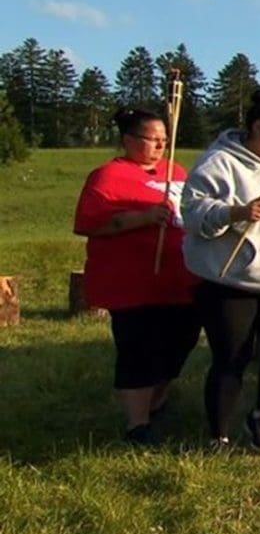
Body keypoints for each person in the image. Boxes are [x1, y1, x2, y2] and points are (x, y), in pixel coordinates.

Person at [181, 87, 260, 453]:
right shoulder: (217, 163)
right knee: (232, 357)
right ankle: (218, 435)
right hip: (230, 278)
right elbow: (193, 214)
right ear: (257, 126)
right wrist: (234, 212)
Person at [73, 108, 201, 445]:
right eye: (151, 139)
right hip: (133, 282)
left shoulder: (176, 170)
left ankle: (157, 402)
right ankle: (137, 423)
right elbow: (92, 223)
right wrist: (141, 218)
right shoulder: (108, 177)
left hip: (179, 279)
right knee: (138, 348)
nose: (160, 145)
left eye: (164, 139)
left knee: (180, 342)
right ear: (128, 140)